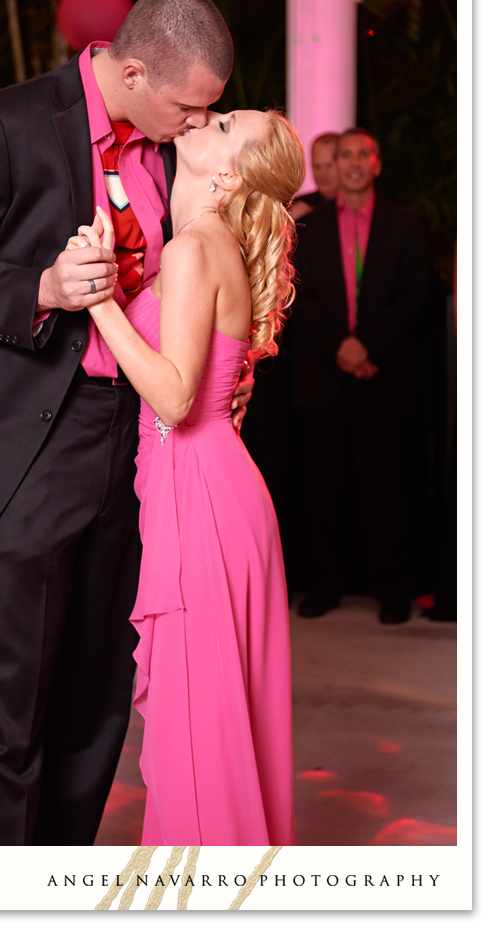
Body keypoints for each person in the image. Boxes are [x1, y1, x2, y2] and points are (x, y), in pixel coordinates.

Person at [0, 0, 253, 846]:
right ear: (133, 72)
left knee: (97, 706)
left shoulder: (173, 151)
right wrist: (43, 289)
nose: (197, 125)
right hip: (27, 446)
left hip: (139, 450)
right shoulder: (6, 123)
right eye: (189, 107)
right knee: (8, 709)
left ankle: (59, 885)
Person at [70, 105, 304, 845]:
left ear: (227, 173)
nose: (209, 116)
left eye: (227, 123)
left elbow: (172, 395)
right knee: (207, 732)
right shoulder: (201, 244)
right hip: (206, 490)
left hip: (201, 500)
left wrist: (99, 300)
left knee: (198, 741)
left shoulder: (197, 247)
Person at [289, 128, 431, 624]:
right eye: (343, 154)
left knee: (386, 493)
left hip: (383, 377)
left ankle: (393, 590)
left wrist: (364, 345)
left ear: (375, 164)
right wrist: (342, 348)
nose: (351, 163)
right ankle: (324, 586)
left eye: (360, 155)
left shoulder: (405, 225)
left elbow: (414, 297)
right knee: (323, 494)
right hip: (323, 380)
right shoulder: (308, 226)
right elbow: (299, 300)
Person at [290, 132, 339, 222]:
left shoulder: (355, 207)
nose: (322, 173)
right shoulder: (296, 207)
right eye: (316, 166)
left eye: (328, 166)